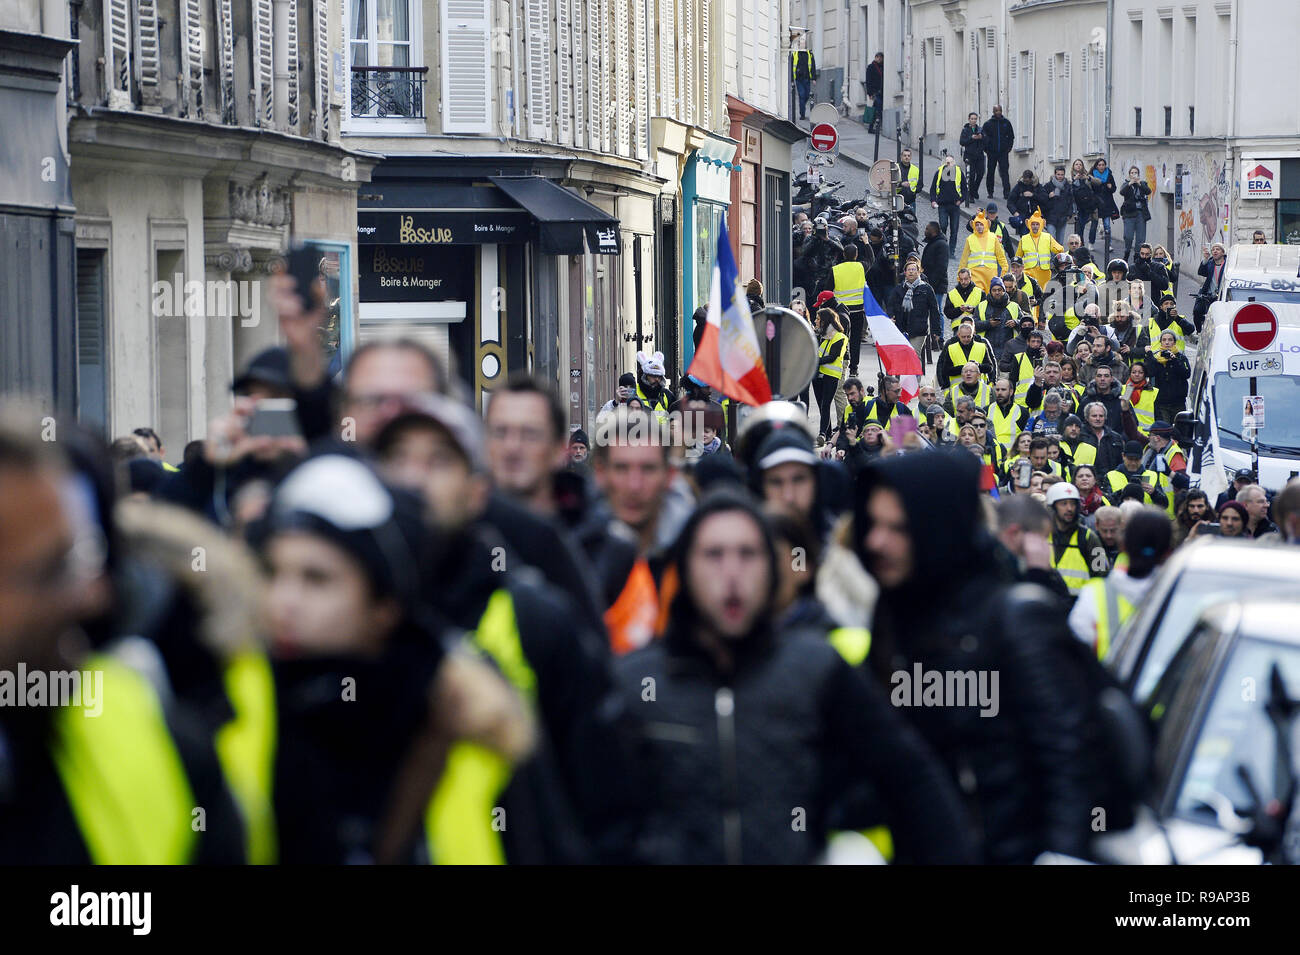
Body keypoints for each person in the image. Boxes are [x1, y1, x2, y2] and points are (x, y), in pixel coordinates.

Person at [615, 488, 976, 864]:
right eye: (713, 555)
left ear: (773, 570)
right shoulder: (637, 680)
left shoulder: (815, 667)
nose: (732, 573)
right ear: (685, 570)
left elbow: (911, 777)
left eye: (748, 555)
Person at [259, 452, 535, 864]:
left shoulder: (467, 724)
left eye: (316, 579)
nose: (283, 602)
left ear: (383, 605)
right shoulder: (232, 708)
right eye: (271, 573)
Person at [858, 449, 1096, 863]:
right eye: (873, 524)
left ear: (938, 529)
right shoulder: (891, 621)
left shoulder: (1016, 621)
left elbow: (1071, 761)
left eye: (897, 527)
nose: (877, 541)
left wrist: (1062, 854)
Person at [1069, 507, 1172, 658]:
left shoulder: (1093, 594)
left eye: (1113, 530)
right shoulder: (1179, 596)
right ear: (1169, 552)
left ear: (1123, 545)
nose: (1109, 535)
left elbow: (1074, 654)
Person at [1045, 482, 1110, 594]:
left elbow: (1102, 576)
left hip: (1078, 605)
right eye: (1063, 504)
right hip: (1046, 604)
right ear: (1053, 506)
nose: (1069, 508)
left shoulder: (1089, 538)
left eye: (1073, 504)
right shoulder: (1042, 536)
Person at [887, 258, 942, 369]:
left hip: (919, 329)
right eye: (909, 270)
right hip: (901, 328)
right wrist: (890, 316)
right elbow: (890, 305)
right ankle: (903, 381)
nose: (911, 271)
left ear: (918, 272)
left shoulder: (926, 289)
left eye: (914, 269)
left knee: (914, 355)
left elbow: (934, 310)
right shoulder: (899, 289)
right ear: (905, 272)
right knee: (902, 356)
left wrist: (936, 331)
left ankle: (915, 382)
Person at [832, 243, 868, 377]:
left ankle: (840, 365)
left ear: (843, 255)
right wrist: (866, 243)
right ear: (856, 255)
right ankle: (854, 368)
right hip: (858, 310)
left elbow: (828, 288)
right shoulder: (861, 267)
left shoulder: (835, 269)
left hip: (841, 311)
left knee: (841, 338)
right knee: (855, 340)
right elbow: (871, 260)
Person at [814, 308, 849, 441]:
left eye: (818, 319)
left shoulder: (840, 337)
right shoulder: (819, 335)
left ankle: (822, 433)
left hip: (831, 375)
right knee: (821, 405)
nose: (816, 321)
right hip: (817, 375)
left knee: (825, 404)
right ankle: (827, 434)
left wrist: (814, 360)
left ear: (825, 321)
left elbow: (833, 356)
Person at [1104, 440, 1168, 510]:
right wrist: (1122, 491)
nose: (1133, 463)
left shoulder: (1152, 475)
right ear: (1123, 456)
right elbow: (1105, 503)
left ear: (1142, 457)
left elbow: (1164, 505)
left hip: (1145, 518)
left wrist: (1154, 493)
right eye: (1130, 459)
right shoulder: (1111, 476)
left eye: (1137, 459)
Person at [959, 211, 1008, 293]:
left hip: (990, 274)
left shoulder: (993, 238)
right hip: (975, 273)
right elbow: (964, 259)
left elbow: (1001, 257)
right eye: (977, 225)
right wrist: (959, 276)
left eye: (981, 224)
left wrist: (1003, 273)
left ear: (985, 224)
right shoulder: (970, 239)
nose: (979, 227)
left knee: (989, 297)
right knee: (976, 295)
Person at [1146, 334, 1191, 424]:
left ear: (1174, 342)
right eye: (1164, 340)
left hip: (1178, 403)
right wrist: (1150, 355)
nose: (1167, 342)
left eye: (1170, 340)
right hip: (1161, 403)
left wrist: (1174, 360)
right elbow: (1150, 372)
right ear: (1161, 342)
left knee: (1179, 431)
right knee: (1164, 430)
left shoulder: (1181, 358)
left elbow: (1186, 374)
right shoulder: (1156, 358)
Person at [937, 324, 995, 391]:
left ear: (973, 334)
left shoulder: (982, 347)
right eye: (963, 337)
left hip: (979, 390)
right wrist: (964, 368)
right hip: (958, 390)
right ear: (958, 335)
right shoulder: (951, 348)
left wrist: (978, 366)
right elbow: (946, 370)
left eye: (968, 337)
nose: (966, 339)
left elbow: (990, 368)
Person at [1017, 209, 1064, 289]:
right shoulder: (1024, 239)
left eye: (1037, 224)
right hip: (1029, 273)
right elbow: (1018, 258)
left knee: (1043, 295)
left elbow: (1058, 248)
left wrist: (1059, 249)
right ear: (1028, 224)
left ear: (1042, 224)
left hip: (1044, 273)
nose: (1035, 226)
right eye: (1033, 224)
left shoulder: (1047, 237)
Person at [1080, 399, 1128, 475]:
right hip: (1086, 478)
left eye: (1101, 416)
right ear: (1087, 417)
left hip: (1110, 480)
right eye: (1094, 416)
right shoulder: (1079, 436)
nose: (1098, 419)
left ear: (1105, 417)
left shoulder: (1116, 438)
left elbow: (1122, 463)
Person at [976, 276, 1022, 354]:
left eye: (999, 290)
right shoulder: (981, 306)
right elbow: (974, 325)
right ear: (990, 291)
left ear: (1004, 291)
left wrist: (1016, 322)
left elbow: (1025, 323)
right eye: (994, 290)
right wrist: (988, 323)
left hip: (1008, 348)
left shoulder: (1014, 306)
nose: (997, 292)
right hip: (985, 348)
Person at [980, 105, 1015, 199]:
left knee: (1004, 172)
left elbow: (1011, 136)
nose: (998, 112)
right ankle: (990, 192)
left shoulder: (1006, 123)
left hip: (1003, 153)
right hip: (992, 153)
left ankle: (1007, 193)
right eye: (996, 111)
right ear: (993, 112)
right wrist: (986, 149)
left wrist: (1008, 148)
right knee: (990, 172)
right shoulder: (988, 124)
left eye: (999, 110)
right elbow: (983, 137)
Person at [929, 156, 964, 249]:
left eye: (950, 162)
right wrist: (933, 200)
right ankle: (943, 247)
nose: (948, 164)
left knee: (954, 229)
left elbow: (965, 189)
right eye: (947, 162)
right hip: (942, 205)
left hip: (954, 205)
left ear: (954, 163)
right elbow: (933, 189)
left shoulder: (959, 173)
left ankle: (951, 251)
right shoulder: (939, 173)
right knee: (943, 225)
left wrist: (961, 200)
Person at [1118, 167, 1152, 261]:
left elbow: (1148, 191)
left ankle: (1137, 256)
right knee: (1128, 236)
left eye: (1136, 172)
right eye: (1132, 173)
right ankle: (1127, 251)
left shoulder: (1142, 183)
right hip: (1129, 213)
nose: (1134, 174)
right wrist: (1130, 183)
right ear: (1129, 175)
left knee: (1140, 238)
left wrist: (1139, 183)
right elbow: (1122, 192)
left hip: (1141, 213)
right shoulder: (1126, 184)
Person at [987, 377, 1028, 451]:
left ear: (1011, 392)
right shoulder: (987, 410)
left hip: (1014, 458)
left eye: (1003, 390)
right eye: (997, 389)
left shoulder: (1022, 412)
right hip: (994, 456)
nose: (999, 392)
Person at [1194, 242, 1228, 331]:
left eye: (1218, 249)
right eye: (1213, 249)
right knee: (1197, 310)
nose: (1215, 251)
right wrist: (1205, 259)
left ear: (1223, 252)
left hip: (1222, 296)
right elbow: (1201, 272)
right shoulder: (1209, 263)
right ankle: (1199, 332)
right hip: (1208, 294)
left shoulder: (1228, 265)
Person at [1087, 159, 1120, 248]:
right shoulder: (1092, 175)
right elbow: (1089, 188)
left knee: (1107, 225)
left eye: (1103, 165)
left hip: (1106, 203)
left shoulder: (1109, 175)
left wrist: (1110, 187)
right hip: (1096, 203)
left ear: (1105, 166)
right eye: (1099, 165)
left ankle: (1108, 244)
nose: (1101, 166)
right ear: (1096, 166)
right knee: (1094, 225)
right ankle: (1091, 242)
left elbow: (1114, 189)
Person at [944, 267, 985, 332]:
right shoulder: (951, 294)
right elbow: (947, 313)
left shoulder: (980, 293)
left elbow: (985, 312)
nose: (963, 282)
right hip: (958, 328)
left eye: (966, 279)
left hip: (975, 327)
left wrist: (973, 310)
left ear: (970, 278)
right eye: (961, 279)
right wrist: (959, 310)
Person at [1042, 166, 1075, 244]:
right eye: (1058, 174)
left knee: (1060, 242)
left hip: (1063, 217)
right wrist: (1048, 197)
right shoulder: (1048, 186)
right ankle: (1052, 256)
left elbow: (1070, 201)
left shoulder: (1067, 186)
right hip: (1051, 217)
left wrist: (1069, 215)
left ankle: (1058, 256)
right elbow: (1042, 201)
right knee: (1052, 240)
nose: (1060, 176)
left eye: (1062, 174)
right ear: (1055, 174)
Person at [959, 112, 986, 206]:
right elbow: (962, 142)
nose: (973, 120)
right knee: (971, 175)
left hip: (979, 155)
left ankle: (974, 190)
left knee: (981, 173)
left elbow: (986, 140)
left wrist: (981, 137)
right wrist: (972, 138)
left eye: (975, 119)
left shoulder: (980, 129)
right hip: (969, 155)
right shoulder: (965, 130)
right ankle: (970, 195)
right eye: (972, 119)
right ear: (969, 119)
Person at [920, 221, 950, 297]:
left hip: (936, 287)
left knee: (936, 308)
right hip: (929, 285)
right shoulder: (933, 243)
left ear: (933, 231)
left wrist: (931, 284)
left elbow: (941, 268)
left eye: (927, 229)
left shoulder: (941, 245)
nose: (925, 231)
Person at [791, 38, 818, 121]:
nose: (802, 45)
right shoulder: (795, 54)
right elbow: (791, 67)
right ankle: (802, 114)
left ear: (805, 44)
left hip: (807, 79)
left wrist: (813, 78)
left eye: (803, 43)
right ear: (799, 45)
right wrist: (792, 80)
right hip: (799, 79)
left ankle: (802, 108)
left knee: (806, 96)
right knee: (802, 96)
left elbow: (813, 65)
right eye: (801, 43)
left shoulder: (809, 54)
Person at [864, 51, 884, 131]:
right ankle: (876, 126)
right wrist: (870, 93)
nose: (879, 59)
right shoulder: (871, 67)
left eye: (881, 57)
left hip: (881, 91)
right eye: (878, 57)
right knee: (877, 109)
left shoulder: (882, 67)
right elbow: (868, 81)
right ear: (875, 58)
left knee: (875, 109)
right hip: (875, 92)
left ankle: (871, 127)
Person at [897, 147, 921, 212]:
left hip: (911, 202)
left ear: (911, 157)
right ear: (901, 156)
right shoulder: (896, 168)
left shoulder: (915, 169)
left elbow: (920, 184)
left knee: (911, 221)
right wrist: (901, 184)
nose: (906, 157)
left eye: (908, 156)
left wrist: (914, 191)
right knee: (898, 221)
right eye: (904, 155)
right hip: (898, 201)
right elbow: (890, 182)